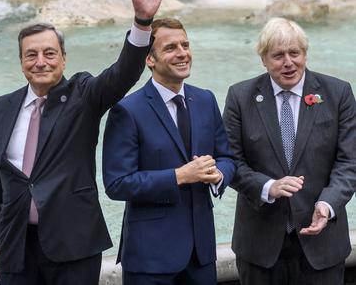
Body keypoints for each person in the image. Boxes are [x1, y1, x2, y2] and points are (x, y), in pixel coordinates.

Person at [0, 0, 173, 285]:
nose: (40, 61)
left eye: (49, 53)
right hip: (17, 247)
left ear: (64, 58)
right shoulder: (1, 107)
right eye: (31, 55)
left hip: (72, 245)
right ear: (20, 62)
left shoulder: (82, 95)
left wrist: (143, 22)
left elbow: (123, 74)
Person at [102, 18, 236, 284]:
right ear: (150, 60)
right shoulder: (127, 110)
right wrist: (179, 176)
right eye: (171, 47)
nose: (182, 53)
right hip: (150, 258)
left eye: (185, 45)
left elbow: (227, 157)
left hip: (201, 254)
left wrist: (219, 175)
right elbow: (117, 184)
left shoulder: (206, 99)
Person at [223, 17, 356, 285]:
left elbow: (349, 161)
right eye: (278, 55)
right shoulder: (240, 97)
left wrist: (327, 204)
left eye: (295, 53)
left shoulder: (337, 93)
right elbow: (230, 161)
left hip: (323, 245)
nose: (288, 62)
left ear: (305, 54)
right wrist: (266, 187)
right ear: (263, 59)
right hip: (259, 248)